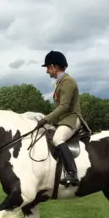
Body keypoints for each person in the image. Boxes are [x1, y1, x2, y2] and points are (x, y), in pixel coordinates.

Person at [36, 50, 89, 187]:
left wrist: (46, 119)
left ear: (54, 66)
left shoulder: (68, 82)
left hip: (71, 118)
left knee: (57, 139)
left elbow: (64, 106)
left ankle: (72, 173)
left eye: (48, 67)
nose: (47, 71)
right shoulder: (60, 83)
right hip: (62, 120)